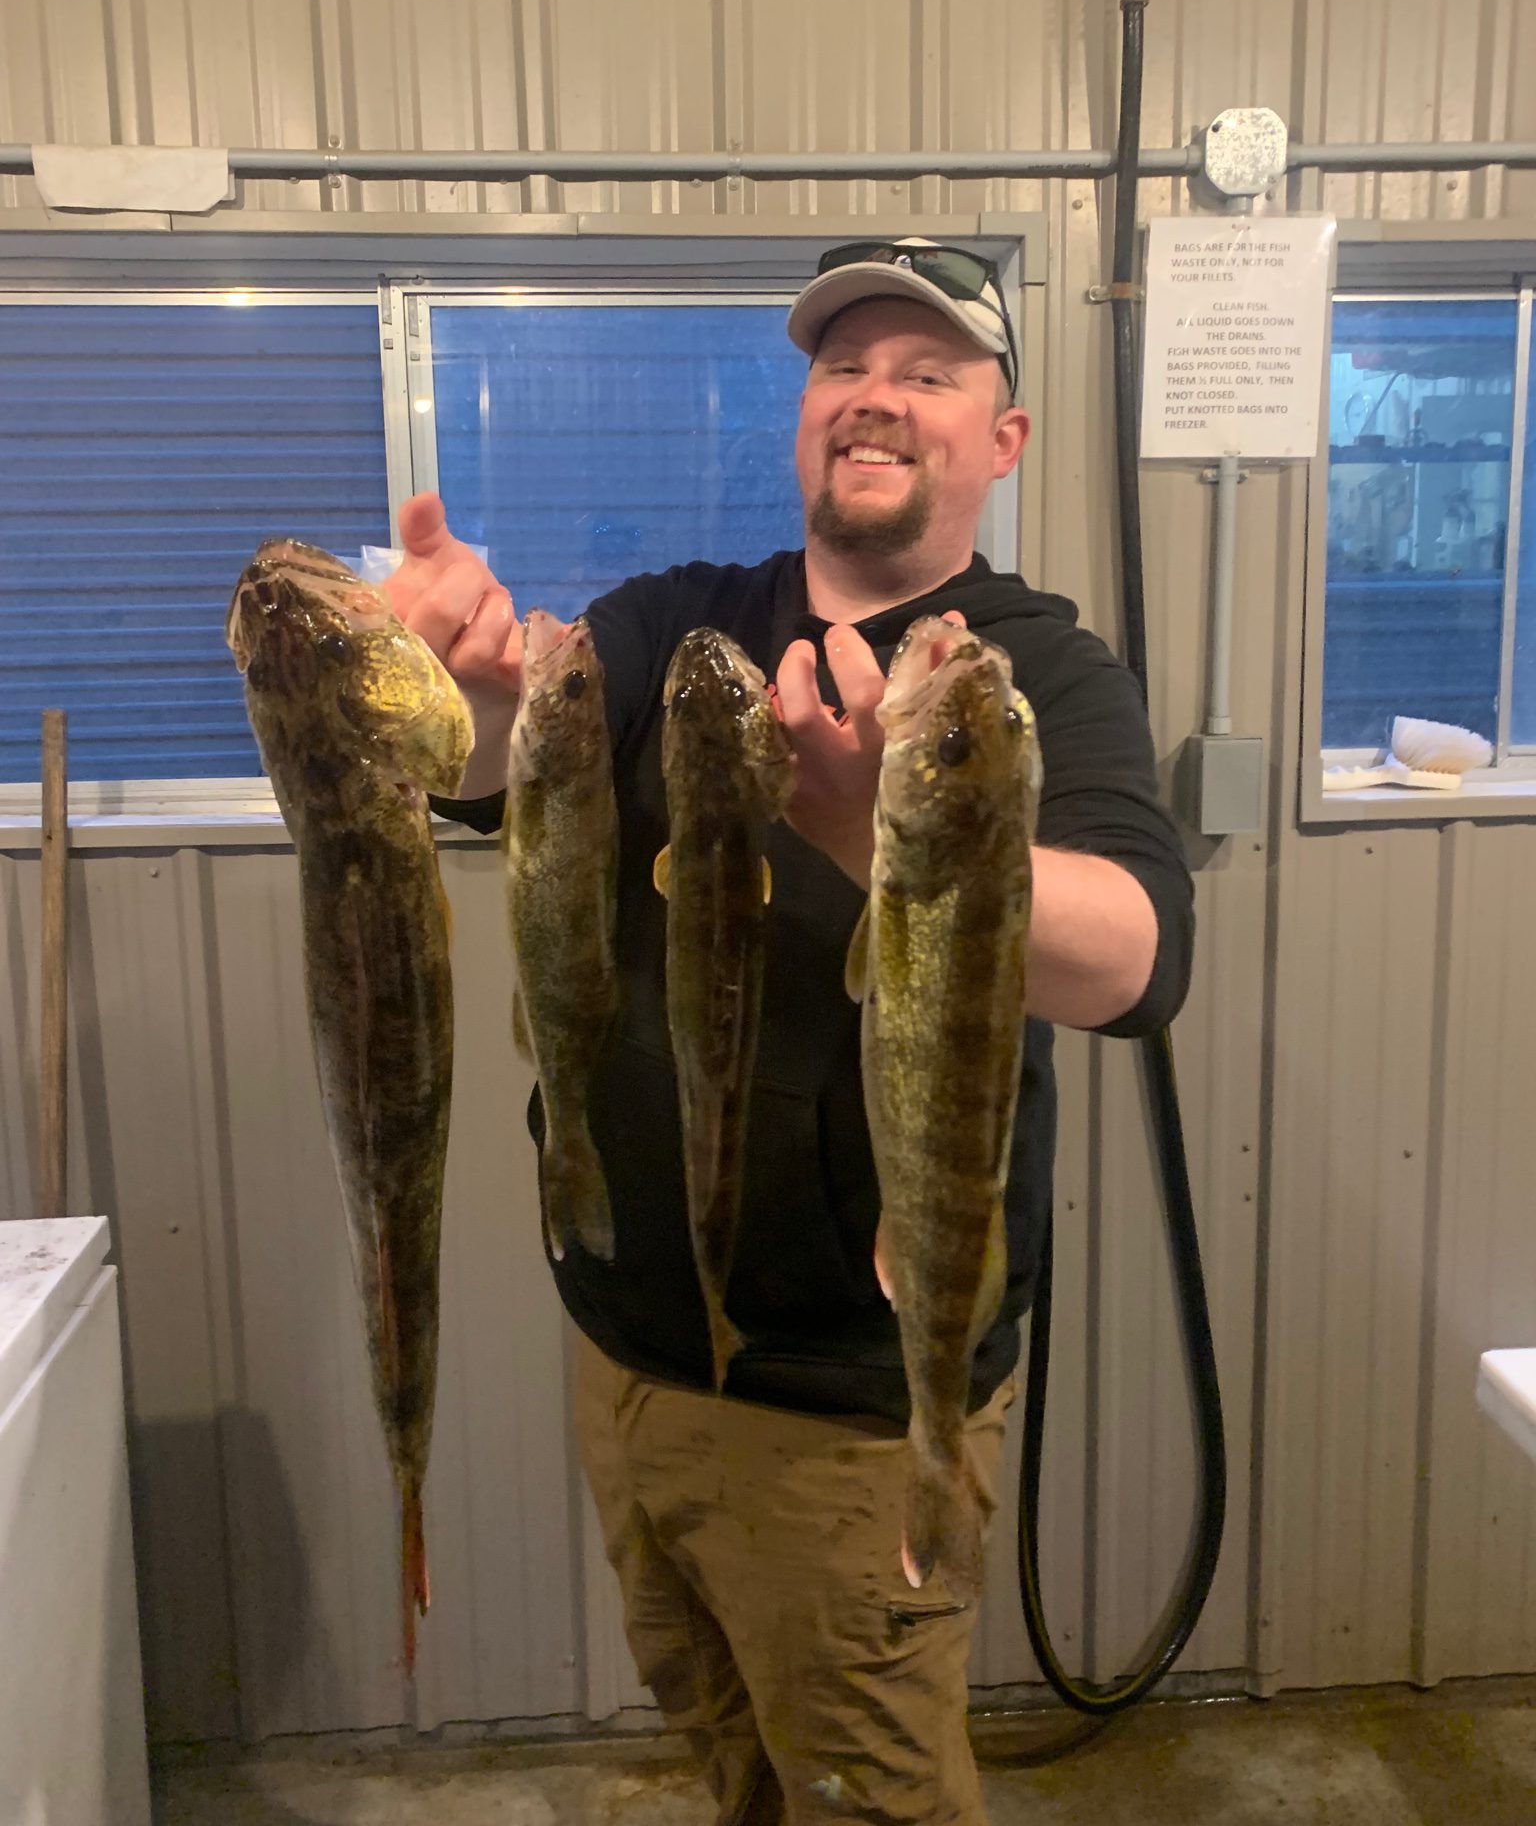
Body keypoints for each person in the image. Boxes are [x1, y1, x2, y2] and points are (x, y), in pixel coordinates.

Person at [384, 239, 1194, 1825]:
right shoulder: (677, 622)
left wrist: (904, 833)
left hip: (850, 1405)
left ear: (1003, 438)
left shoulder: (1036, 669)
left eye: (928, 372)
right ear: (806, 411)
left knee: (867, 1794)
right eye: (844, 366)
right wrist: (450, 685)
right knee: (731, 1766)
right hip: (628, 1349)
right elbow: (499, 765)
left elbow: (1134, 962)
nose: (875, 397)